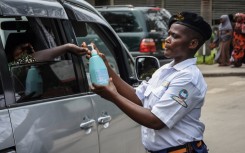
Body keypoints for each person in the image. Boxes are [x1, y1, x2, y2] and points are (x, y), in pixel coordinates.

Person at [86, 11, 211, 153]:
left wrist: (113, 96)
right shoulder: (165, 70)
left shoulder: (188, 78)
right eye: (168, 34)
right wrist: (106, 66)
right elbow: (139, 97)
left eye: (175, 36)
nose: (167, 39)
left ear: (192, 43)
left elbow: (155, 121)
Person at [5, 32, 85, 64]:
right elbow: (32, 59)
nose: (31, 52)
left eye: (32, 49)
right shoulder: (7, 70)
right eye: (22, 49)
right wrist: (67, 47)